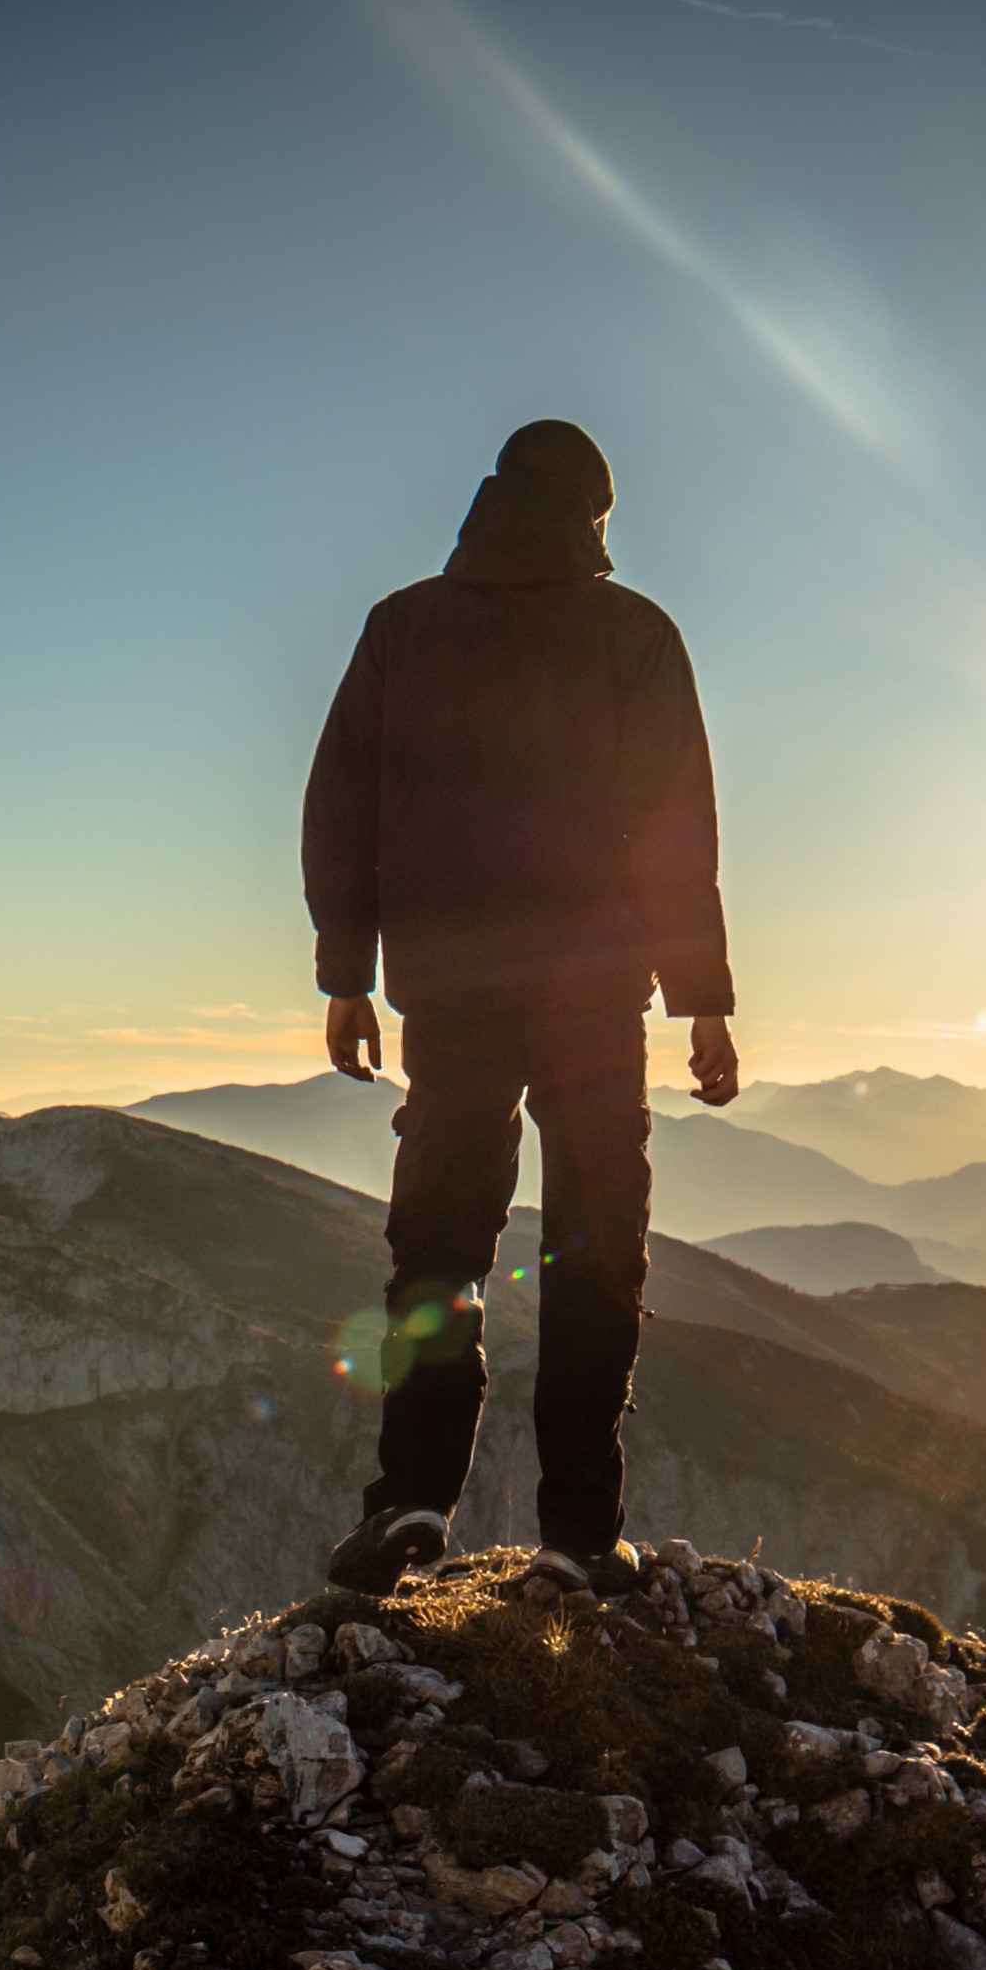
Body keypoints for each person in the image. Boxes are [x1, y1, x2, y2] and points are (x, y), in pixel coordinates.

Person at [302, 418, 737, 1597]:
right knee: (596, 1244)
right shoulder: (635, 634)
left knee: (437, 1240)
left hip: (449, 987)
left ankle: (409, 1501)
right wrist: (702, 999)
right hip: (596, 993)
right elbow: (675, 831)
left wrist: (347, 971)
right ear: (594, 515)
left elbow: (341, 800)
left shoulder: (405, 627)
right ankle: (578, 1534)